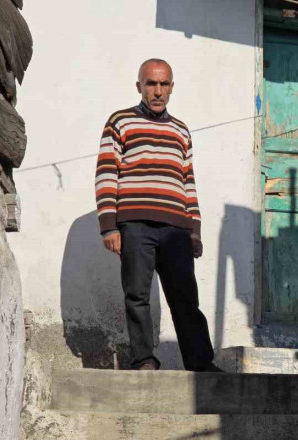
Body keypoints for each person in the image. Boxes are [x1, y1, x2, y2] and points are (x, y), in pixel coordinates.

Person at [94, 58, 219, 372]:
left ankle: (201, 364)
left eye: (164, 84)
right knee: (137, 295)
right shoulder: (119, 122)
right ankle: (144, 360)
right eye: (151, 84)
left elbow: (188, 181)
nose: (158, 91)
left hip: (176, 228)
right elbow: (107, 172)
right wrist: (109, 226)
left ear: (172, 88)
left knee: (185, 298)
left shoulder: (181, 131)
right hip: (134, 225)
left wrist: (195, 230)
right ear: (140, 86)